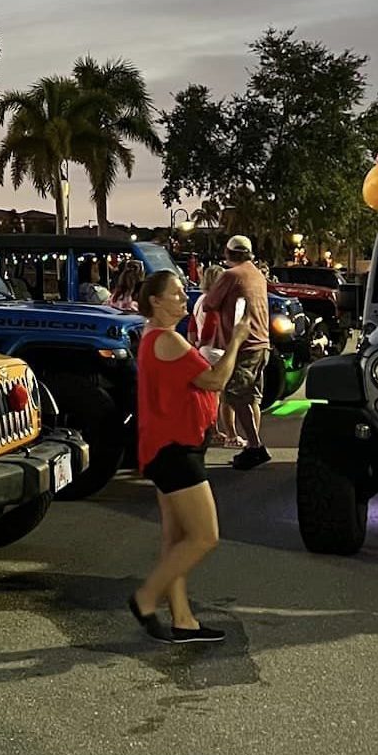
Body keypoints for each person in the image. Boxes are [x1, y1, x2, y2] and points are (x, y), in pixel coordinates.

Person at [128, 269, 245, 644]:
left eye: (183, 293)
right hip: (175, 449)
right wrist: (238, 341)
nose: (184, 299)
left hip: (166, 446)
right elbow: (214, 380)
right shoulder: (168, 339)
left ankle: (183, 620)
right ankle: (146, 597)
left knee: (176, 538)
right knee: (205, 536)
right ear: (155, 302)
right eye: (176, 294)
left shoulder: (153, 337)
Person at [199, 235, 272, 470]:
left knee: (234, 394)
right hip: (261, 343)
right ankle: (253, 444)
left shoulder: (231, 275)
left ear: (228, 253)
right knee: (250, 396)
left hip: (244, 344)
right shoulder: (257, 274)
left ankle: (255, 446)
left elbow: (209, 303)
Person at [189, 264, 242, 448]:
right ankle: (231, 434)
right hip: (215, 351)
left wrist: (196, 346)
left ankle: (213, 429)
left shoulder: (199, 300)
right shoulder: (215, 303)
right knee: (225, 395)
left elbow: (192, 327)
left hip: (203, 351)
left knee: (211, 396)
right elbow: (211, 325)